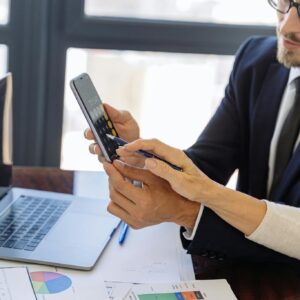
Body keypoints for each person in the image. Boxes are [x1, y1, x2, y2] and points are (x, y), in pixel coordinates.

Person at [85, 0, 300, 264]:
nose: (287, 26)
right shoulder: (255, 61)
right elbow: (204, 168)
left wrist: (188, 211)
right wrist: (140, 157)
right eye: (284, 3)